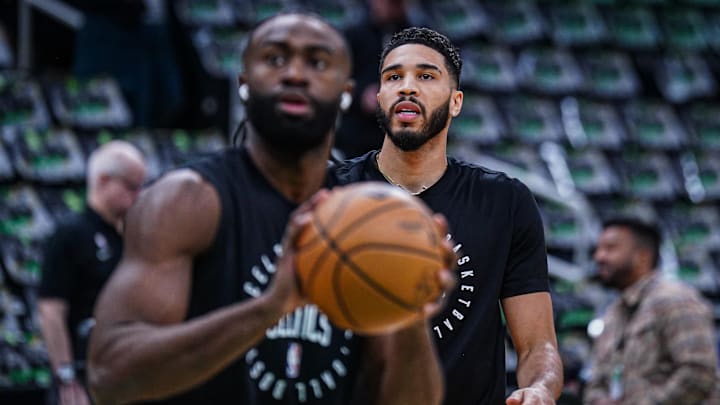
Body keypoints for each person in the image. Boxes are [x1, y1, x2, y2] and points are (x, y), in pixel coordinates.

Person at [87, 12, 453, 405]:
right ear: (244, 83)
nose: (295, 74)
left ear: (346, 91)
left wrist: (412, 314)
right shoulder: (185, 202)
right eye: (275, 59)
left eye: (317, 62)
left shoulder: (375, 219)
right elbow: (109, 377)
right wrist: (270, 307)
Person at [331, 27, 564, 405]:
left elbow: (538, 345)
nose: (407, 87)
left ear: (456, 102)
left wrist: (540, 388)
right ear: (378, 97)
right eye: (393, 77)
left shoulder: (504, 202)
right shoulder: (331, 193)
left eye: (425, 76)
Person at [38, 140, 146, 405]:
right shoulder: (70, 234)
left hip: (122, 368)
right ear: (103, 180)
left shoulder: (131, 235)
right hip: (83, 368)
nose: (138, 196)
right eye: (131, 186)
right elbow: (51, 311)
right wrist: (65, 374)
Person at [584, 217, 718, 405]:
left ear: (642, 256)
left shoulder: (675, 300)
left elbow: (698, 374)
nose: (599, 257)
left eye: (610, 248)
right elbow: (595, 383)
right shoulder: (612, 314)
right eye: (598, 249)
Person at [335, 0, 411, 158]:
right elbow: (336, 85)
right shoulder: (354, 36)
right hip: (356, 138)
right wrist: (361, 96)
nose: (389, 7)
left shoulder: (417, 39)